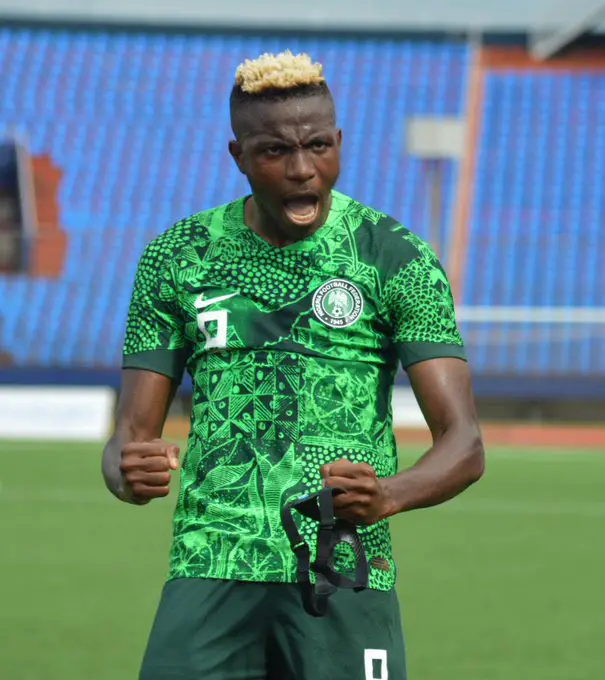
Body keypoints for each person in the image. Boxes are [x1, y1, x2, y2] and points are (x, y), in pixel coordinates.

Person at [102, 50, 485, 680]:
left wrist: (388, 495)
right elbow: (127, 441)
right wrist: (126, 471)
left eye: (317, 147)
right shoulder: (178, 258)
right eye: (275, 151)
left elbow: (464, 443)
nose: (303, 169)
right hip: (210, 563)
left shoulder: (396, 257)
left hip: (343, 567)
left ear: (339, 143)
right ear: (239, 156)